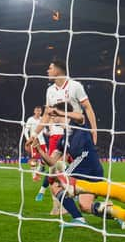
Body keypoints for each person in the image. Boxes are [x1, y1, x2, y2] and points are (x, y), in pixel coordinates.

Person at [32, 103, 125, 229]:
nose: (52, 118)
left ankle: (82, 218)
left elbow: (81, 116)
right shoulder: (63, 139)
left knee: (57, 185)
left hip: (92, 170)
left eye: (54, 115)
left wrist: (59, 112)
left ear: (61, 112)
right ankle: (115, 215)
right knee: (85, 206)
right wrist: (40, 150)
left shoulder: (78, 125)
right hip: (80, 171)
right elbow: (52, 162)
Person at [29, 59, 99, 214]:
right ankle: (60, 205)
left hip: (77, 132)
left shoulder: (75, 86)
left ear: (59, 70)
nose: (47, 70)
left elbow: (87, 109)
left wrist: (94, 130)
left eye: (50, 67)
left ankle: (69, 202)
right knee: (54, 171)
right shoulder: (50, 91)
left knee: (72, 175)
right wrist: (35, 134)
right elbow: (47, 116)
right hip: (59, 134)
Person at [23, 106, 46, 181]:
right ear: (34, 111)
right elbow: (26, 131)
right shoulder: (30, 119)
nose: (38, 112)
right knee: (34, 159)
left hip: (42, 141)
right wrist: (28, 140)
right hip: (34, 142)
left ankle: (38, 172)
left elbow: (44, 130)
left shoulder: (42, 119)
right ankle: (34, 176)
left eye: (40, 111)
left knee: (45, 159)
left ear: (41, 112)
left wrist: (49, 133)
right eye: (37, 110)